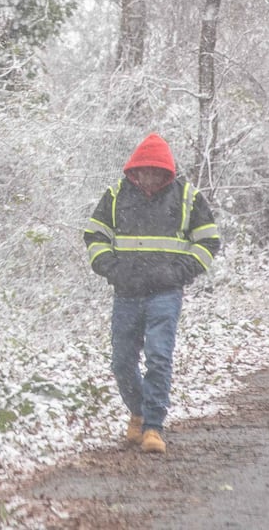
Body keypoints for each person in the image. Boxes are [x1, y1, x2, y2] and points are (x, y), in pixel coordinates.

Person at [82, 132, 221, 454]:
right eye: (145, 171)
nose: (150, 178)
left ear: (166, 172)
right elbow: (94, 236)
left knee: (159, 356)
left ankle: (153, 428)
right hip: (126, 293)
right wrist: (112, 269)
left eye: (156, 172)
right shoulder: (116, 196)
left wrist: (179, 273)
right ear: (135, 170)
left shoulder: (187, 197)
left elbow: (209, 240)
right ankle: (139, 411)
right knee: (121, 362)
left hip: (165, 293)